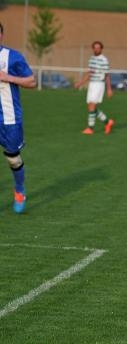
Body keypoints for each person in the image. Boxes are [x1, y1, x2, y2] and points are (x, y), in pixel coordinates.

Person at [0, 22, 37, 214]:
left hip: (9, 118)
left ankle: (19, 190)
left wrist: (8, 78)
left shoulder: (12, 57)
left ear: (2, 36)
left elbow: (32, 81)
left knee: (13, 159)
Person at [74, 41, 114, 135]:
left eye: (98, 48)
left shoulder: (104, 60)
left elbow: (107, 75)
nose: (96, 49)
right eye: (94, 48)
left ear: (101, 49)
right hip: (92, 84)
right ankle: (107, 122)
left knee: (92, 105)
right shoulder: (91, 59)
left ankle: (90, 128)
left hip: (99, 84)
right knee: (91, 107)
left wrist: (109, 89)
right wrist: (80, 83)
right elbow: (90, 73)